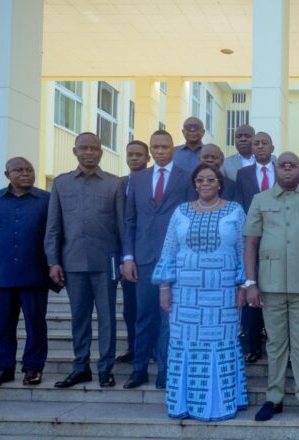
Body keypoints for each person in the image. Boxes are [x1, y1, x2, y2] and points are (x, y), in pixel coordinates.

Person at [152, 163, 248, 421]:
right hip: (185, 295)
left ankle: (221, 404)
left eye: (210, 179)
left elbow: (243, 250)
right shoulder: (181, 212)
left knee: (222, 343)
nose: (205, 184)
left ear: (219, 183)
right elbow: (169, 250)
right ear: (194, 184)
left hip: (224, 293)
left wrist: (243, 285)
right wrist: (164, 286)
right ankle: (185, 403)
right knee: (185, 344)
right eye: (200, 180)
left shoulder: (235, 211)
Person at [244, 152, 299, 423]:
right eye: (283, 165)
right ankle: (274, 398)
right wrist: (251, 283)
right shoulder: (260, 200)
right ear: (276, 169)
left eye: (293, 166)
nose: (288, 169)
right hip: (271, 283)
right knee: (276, 343)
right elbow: (251, 243)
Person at [45, 132, 124, 389]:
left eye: (94, 148)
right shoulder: (61, 183)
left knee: (107, 318)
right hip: (73, 262)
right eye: (84, 148)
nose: (89, 152)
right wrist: (53, 261)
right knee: (79, 317)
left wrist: (125, 260)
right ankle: (80, 367)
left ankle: (105, 369)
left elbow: (123, 226)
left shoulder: (114, 184)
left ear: (101, 152)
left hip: (107, 262)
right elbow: (54, 226)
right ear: (75, 151)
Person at [121, 129, 197, 390]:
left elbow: (190, 218)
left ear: (173, 149)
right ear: (150, 150)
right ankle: (139, 369)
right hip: (143, 259)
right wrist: (128, 257)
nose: (160, 151)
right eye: (156, 147)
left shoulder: (186, 178)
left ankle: (165, 370)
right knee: (144, 316)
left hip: (175, 259)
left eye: (165, 146)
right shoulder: (138, 178)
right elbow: (130, 220)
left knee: (169, 319)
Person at [0, 157, 51, 388]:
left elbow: (54, 234)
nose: (26, 173)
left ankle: (33, 368)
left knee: (36, 323)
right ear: (7, 175)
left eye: (30, 169)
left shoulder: (46, 200)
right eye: (19, 170)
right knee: (3, 324)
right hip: (1, 274)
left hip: (34, 273)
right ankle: (3, 368)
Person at [234, 131, 276, 363]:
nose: (260, 146)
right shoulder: (243, 174)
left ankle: (275, 342)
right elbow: (240, 204)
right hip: (252, 238)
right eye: (256, 143)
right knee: (252, 289)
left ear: (272, 146)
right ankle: (252, 345)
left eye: (264, 143)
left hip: (278, 238)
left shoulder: (283, 169)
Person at [116, 140, 150, 364]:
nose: (134, 158)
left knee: (151, 306)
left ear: (148, 158)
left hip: (149, 253)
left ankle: (152, 348)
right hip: (124, 254)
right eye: (131, 154)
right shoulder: (118, 184)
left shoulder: (154, 182)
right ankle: (133, 348)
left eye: (139, 154)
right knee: (130, 308)